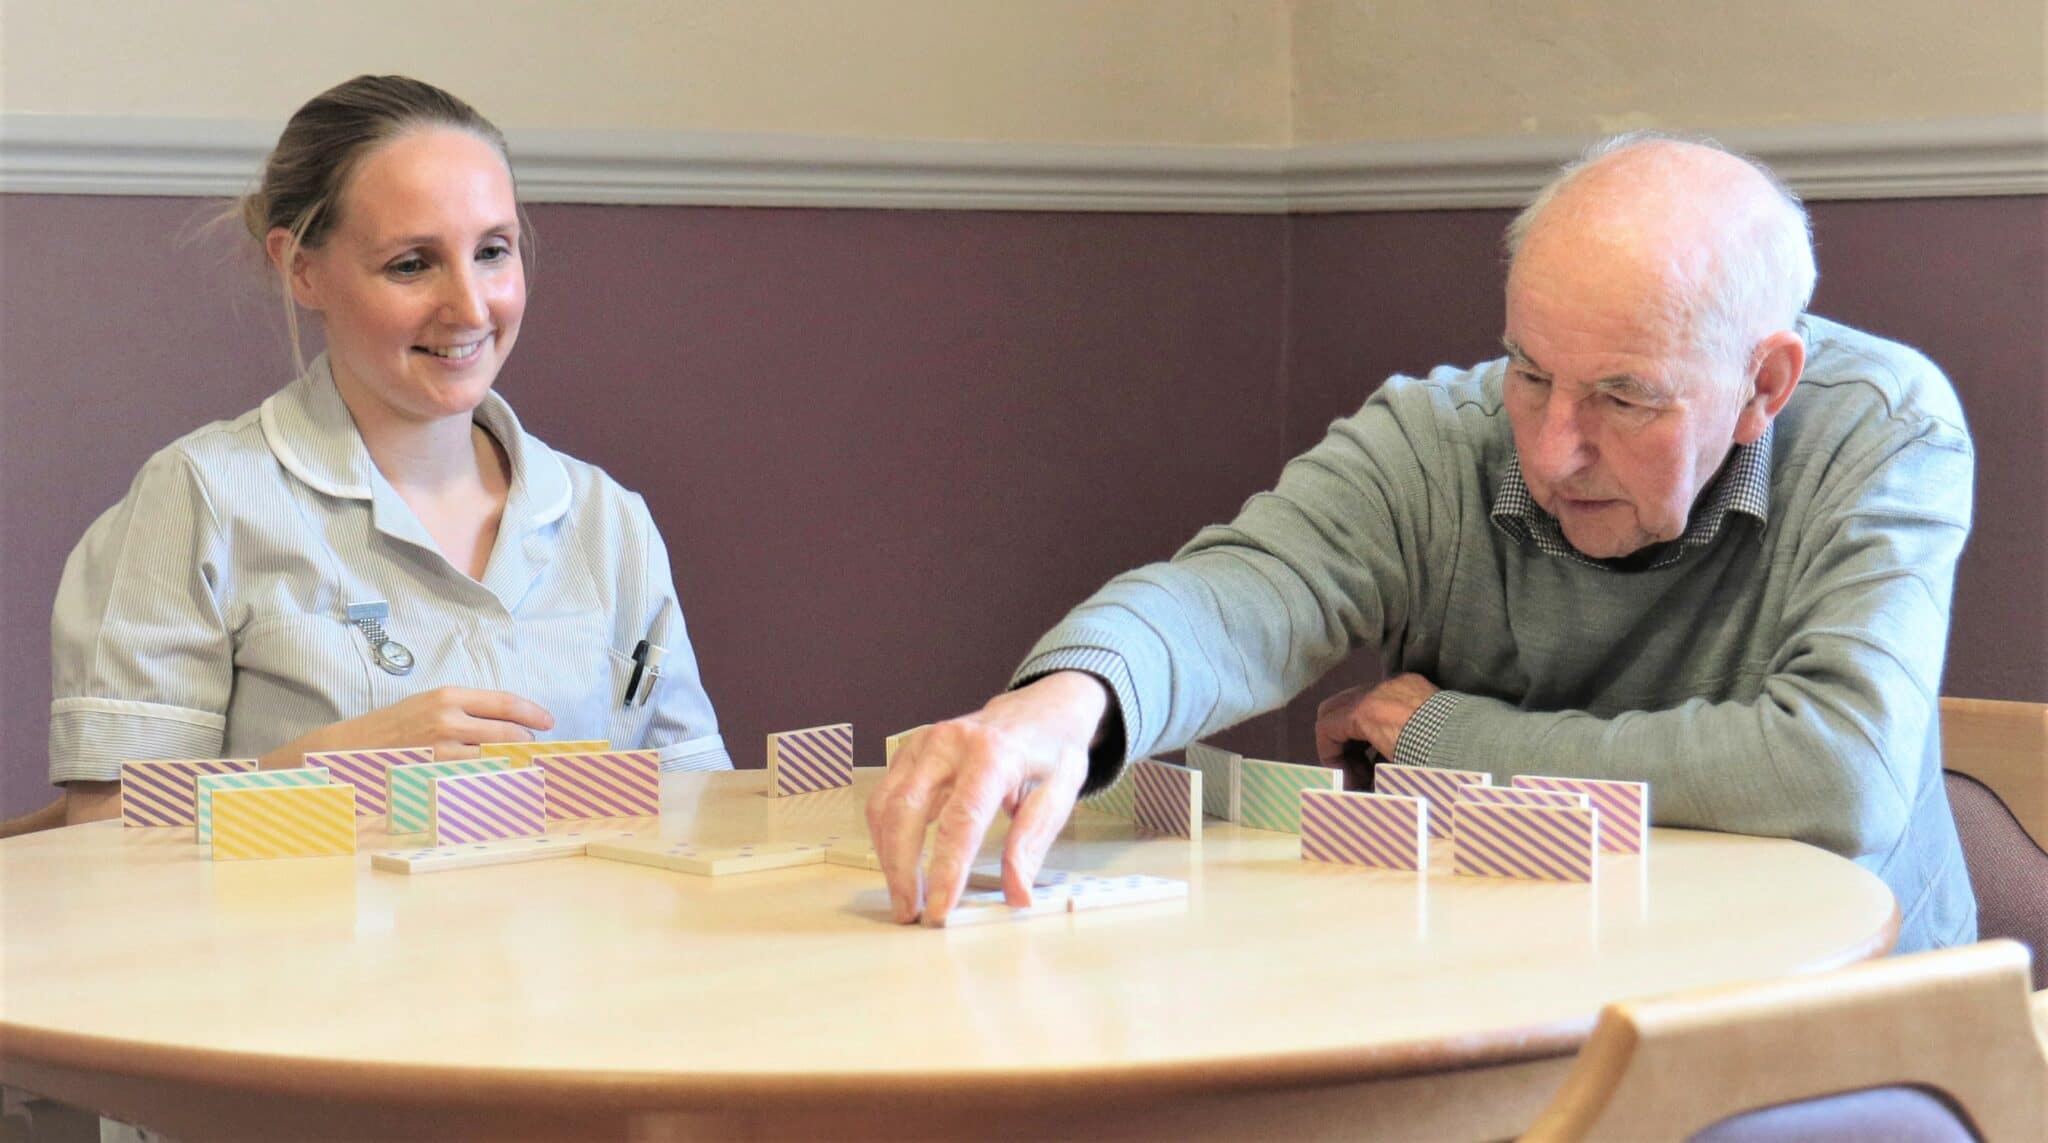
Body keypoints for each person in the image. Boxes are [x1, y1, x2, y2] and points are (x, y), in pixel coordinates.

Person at [869, 133, 1976, 953]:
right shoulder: (1438, 435)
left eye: (1622, 400)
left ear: (1762, 384)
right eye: (1528, 371)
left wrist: (1445, 738)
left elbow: (1840, 771)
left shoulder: (1882, 426)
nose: (1549, 451)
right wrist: (1066, 704)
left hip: (1836, 1023)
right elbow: (1241, 590)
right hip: (1516, 983)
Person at [40, 74, 729, 826]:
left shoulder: (609, 521)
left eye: (493, 251)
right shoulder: (200, 498)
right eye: (412, 263)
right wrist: (322, 775)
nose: (470, 307)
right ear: (301, 267)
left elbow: (699, 812)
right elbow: (103, 833)